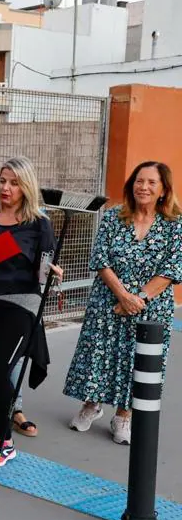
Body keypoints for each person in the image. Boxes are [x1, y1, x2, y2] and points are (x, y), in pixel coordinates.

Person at [64, 161, 182, 444]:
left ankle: (123, 416)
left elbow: (172, 269)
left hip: (151, 306)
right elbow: (100, 259)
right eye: (139, 181)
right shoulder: (113, 216)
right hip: (109, 299)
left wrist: (137, 299)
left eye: (151, 183)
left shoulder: (175, 225)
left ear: (164, 190)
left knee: (137, 359)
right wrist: (122, 296)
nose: (144, 187)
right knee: (99, 352)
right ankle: (91, 405)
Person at [0, 157, 59, 468]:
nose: (6, 187)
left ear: (26, 186)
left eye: (14, 182)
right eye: (3, 180)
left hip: (20, 304)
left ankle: (5, 441)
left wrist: (54, 273)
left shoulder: (38, 223)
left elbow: (45, 269)